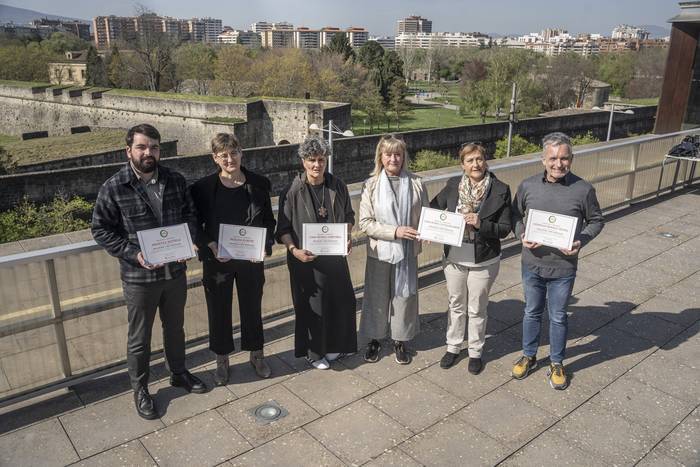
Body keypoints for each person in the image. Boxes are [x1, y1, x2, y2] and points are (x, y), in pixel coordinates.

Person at [92, 123, 206, 420]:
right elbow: (100, 229)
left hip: (174, 272)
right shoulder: (114, 186)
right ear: (128, 151)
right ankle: (140, 389)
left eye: (154, 147)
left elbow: (190, 214)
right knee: (139, 338)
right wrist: (133, 254)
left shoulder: (175, 180)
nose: (148, 153)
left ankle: (178, 373)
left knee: (175, 329)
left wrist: (190, 240)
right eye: (141, 147)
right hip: (139, 278)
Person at [511, 132, 604, 390]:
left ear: (571, 159)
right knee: (531, 312)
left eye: (564, 158)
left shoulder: (583, 189)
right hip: (532, 264)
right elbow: (514, 215)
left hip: (563, 267)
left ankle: (556, 362)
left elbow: (597, 220)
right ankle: (529, 355)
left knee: (559, 316)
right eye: (552, 158)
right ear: (543, 159)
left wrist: (581, 240)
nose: (558, 164)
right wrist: (521, 234)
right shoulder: (528, 186)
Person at [190, 133, 276, 386]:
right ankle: (222, 359)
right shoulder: (202, 188)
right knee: (218, 310)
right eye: (224, 155)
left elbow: (268, 221)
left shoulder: (259, 184)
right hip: (218, 260)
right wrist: (210, 244)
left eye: (234, 153)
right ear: (215, 158)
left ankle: (257, 355)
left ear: (241, 153)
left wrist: (265, 246)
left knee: (253, 308)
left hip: (251, 260)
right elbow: (193, 224)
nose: (230, 159)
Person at [430, 143, 512, 374]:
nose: (475, 164)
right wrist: (431, 230)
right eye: (470, 160)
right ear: (462, 165)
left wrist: (480, 223)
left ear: (485, 161)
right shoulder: (453, 185)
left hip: (484, 259)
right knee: (456, 304)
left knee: (476, 308)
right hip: (454, 258)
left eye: (479, 159)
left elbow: (504, 229)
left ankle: (475, 351)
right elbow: (433, 209)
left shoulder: (500, 189)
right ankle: (453, 346)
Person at [275, 137, 357, 370]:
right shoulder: (291, 191)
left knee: (341, 300)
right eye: (311, 160)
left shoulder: (337, 185)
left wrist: (347, 235)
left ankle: (335, 345)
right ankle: (314, 353)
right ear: (303, 161)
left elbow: (349, 216)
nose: (316, 165)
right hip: (305, 259)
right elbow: (283, 229)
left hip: (334, 256)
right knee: (313, 307)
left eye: (321, 160)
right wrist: (294, 251)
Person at [358, 134, 428, 365]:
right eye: (388, 154)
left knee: (404, 297)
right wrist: (395, 231)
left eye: (398, 154)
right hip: (379, 251)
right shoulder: (370, 185)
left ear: (404, 156)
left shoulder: (417, 183)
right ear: (380, 156)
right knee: (376, 297)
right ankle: (375, 339)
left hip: (407, 251)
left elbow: (426, 217)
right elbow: (365, 223)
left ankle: (400, 339)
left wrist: (428, 232)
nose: (393, 159)